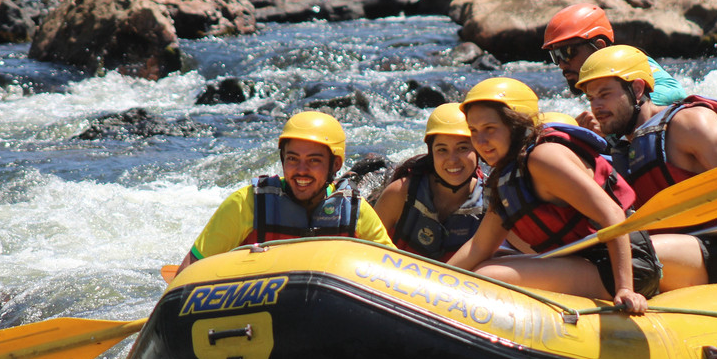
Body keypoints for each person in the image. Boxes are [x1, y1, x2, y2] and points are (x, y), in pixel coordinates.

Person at [577, 45, 717, 291]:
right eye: (591, 98)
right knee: (610, 251)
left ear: (637, 89)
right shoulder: (624, 147)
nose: (596, 107)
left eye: (605, 94)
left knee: (629, 258)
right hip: (676, 249)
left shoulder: (689, 122)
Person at [447, 77, 661, 314]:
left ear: (516, 125)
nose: (480, 141)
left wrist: (625, 289)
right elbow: (479, 247)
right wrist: (434, 277)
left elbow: (612, 214)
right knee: (486, 263)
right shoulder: (505, 177)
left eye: (490, 129)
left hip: (625, 265)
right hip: (584, 261)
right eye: (474, 131)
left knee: (486, 275)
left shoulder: (543, 158)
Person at [179, 111, 393, 270]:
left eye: (314, 161)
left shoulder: (355, 212)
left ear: (335, 164)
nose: (301, 171)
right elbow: (189, 271)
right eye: (292, 159)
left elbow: (395, 272)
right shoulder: (246, 204)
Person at [541, 2, 686, 131]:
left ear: (599, 46)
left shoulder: (632, 62)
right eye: (555, 55)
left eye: (567, 52)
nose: (561, 64)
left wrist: (606, 121)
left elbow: (673, 93)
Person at [373, 103, 485, 261]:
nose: (452, 160)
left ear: (478, 150)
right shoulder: (400, 193)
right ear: (431, 153)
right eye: (442, 150)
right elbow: (363, 250)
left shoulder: (491, 202)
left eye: (462, 148)